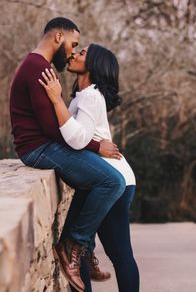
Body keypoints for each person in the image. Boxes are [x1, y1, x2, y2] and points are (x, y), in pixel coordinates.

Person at [9, 17, 127, 292]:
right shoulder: (38, 68)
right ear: (58, 37)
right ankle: (74, 244)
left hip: (43, 146)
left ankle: (80, 247)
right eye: (73, 44)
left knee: (98, 180)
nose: (73, 51)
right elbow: (53, 129)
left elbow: (56, 125)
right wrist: (97, 147)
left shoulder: (38, 65)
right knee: (112, 182)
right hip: (39, 149)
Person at [38, 44, 140, 292]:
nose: (73, 54)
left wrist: (54, 99)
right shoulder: (82, 96)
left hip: (112, 182)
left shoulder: (92, 96)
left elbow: (77, 139)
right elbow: (73, 136)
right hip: (99, 180)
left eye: (81, 53)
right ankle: (85, 252)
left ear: (94, 64)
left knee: (111, 252)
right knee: (78, 250)